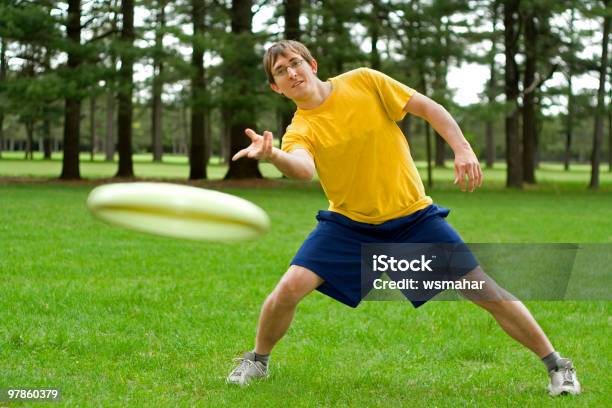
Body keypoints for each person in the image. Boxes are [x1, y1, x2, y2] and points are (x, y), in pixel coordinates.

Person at [226, 40, 580, 396]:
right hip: (349, 226)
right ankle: (258, 360)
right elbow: (303, 168)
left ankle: (558, 366)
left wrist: (463, 148)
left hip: (413, 219)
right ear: (276, 87)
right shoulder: (300, 128)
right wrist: (274, 157)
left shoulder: (364, 81)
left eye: (295, 63)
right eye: (281, 71)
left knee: (484, 290)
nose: (291, 72)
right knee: (287, 289)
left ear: (312, 64)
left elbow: (428, 107)